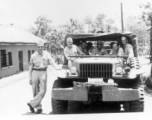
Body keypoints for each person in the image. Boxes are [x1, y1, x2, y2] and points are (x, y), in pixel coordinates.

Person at [27, 41, 61, 114]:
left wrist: (56, 66)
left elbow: (51, 61)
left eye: (41, 46)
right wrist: (30, 77)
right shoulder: (33, 56)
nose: (40, 48)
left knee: (43, 91)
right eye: (39, 47)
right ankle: (39, 108)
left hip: (43, 72)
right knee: (35, 91)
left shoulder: (46, 54)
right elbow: (30, 67)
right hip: (35, 72)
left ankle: (31, 103)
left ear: (43, 47)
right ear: (37, 47)